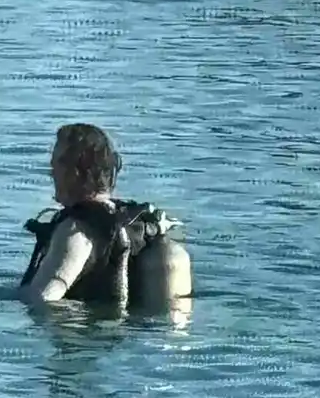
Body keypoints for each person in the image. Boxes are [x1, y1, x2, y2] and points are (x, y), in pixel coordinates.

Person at [19, 123, 191, 309]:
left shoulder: (75, 231)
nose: (51, 173)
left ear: (77, 171)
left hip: (87, 335)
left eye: (57, 164)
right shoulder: (135, 223)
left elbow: (43, 299)